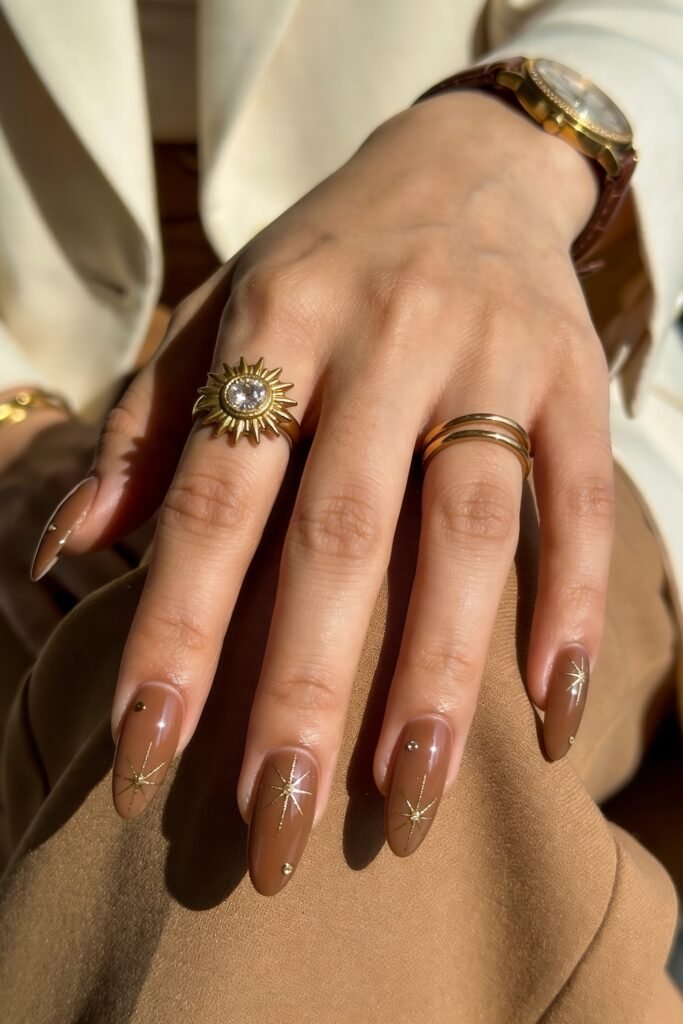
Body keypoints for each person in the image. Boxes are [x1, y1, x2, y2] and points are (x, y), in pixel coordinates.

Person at [1, 2, 682, 1020]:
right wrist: (15, 436)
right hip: (41, 408)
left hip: (517, 326)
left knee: (358, 644)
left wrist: (502, 141)